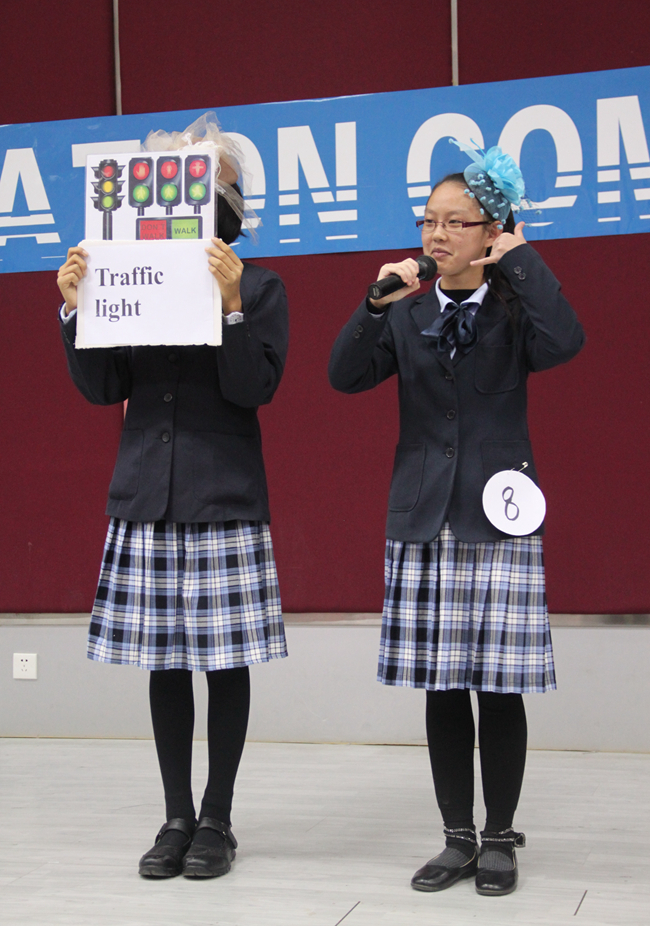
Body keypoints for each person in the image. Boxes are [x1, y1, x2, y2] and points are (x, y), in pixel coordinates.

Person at [328, 145, 584, 897]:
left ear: (490, 231)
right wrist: (374, 303)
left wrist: (521, 259)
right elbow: (344, 375)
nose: (436, 235)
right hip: (424, 517)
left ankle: (499, 836)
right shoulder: (408, 313)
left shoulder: (515, 307)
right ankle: (456, 837)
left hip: (498, 516)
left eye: (455, 222)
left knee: (499, 687)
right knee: (441, 686)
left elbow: (567, 340)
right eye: (427, 221)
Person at [56, 113, 289, 880]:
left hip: (222, 495)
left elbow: (252, 386)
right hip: (146, 496)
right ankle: (176, 815)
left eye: (206, 184)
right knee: (163, 662)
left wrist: (230, 305)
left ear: (228, 202)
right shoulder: (129, 272)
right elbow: (104, 386)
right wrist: (76, 306)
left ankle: (217, 817)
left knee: (224, 662)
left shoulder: (260, 285)